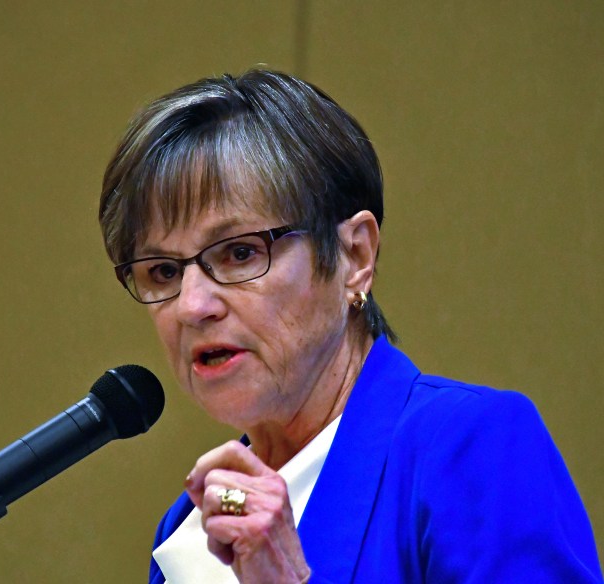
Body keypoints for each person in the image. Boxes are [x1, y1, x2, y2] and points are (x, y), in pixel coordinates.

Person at [98, 69, 602, 583]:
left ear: (354, 254)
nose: (191, 305)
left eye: (240, 253)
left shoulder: (469, 449)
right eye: (163, 270)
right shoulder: (188, 527)